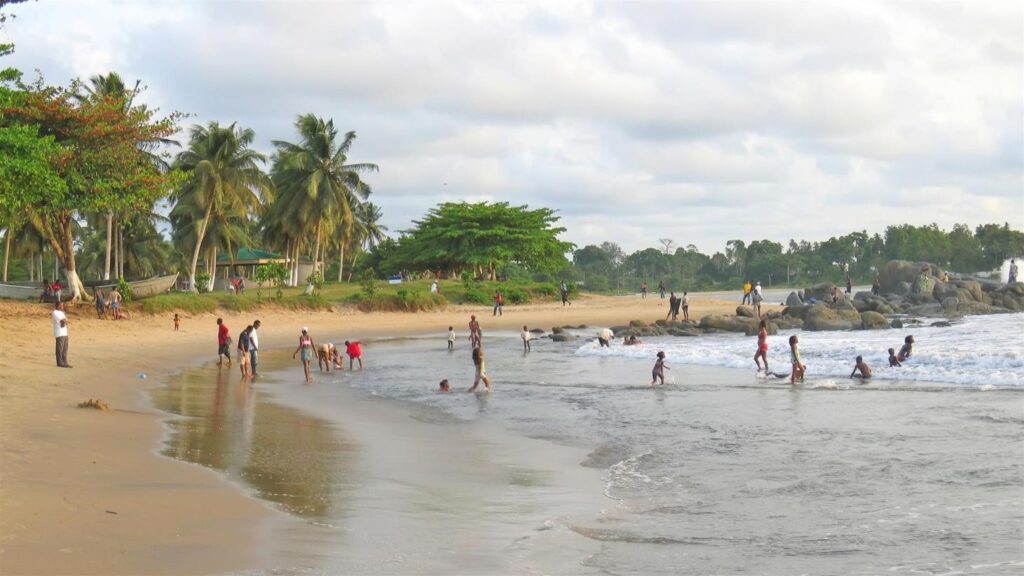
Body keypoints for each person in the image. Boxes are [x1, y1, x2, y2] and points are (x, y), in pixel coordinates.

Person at [52, 301, 70, 368]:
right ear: (58, 305)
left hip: (65, 332)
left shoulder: (62, 312)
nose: (63, 306)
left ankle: (65, 362)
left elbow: (66, 321)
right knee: (60, 348)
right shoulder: (55, 313)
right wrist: (64, 321)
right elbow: (62, 321)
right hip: (59, 333)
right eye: (61, 305)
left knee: (65, 349)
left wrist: (64, 321)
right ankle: (60, 362)